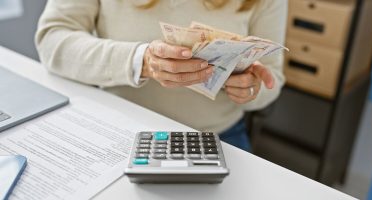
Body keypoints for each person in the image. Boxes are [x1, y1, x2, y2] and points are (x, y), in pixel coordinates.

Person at [35, 0, 287, 152]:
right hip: (115, 127)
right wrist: (139, 60)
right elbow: (52, 38)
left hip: (216, 137)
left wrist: (249, 88)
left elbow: (271, 75)